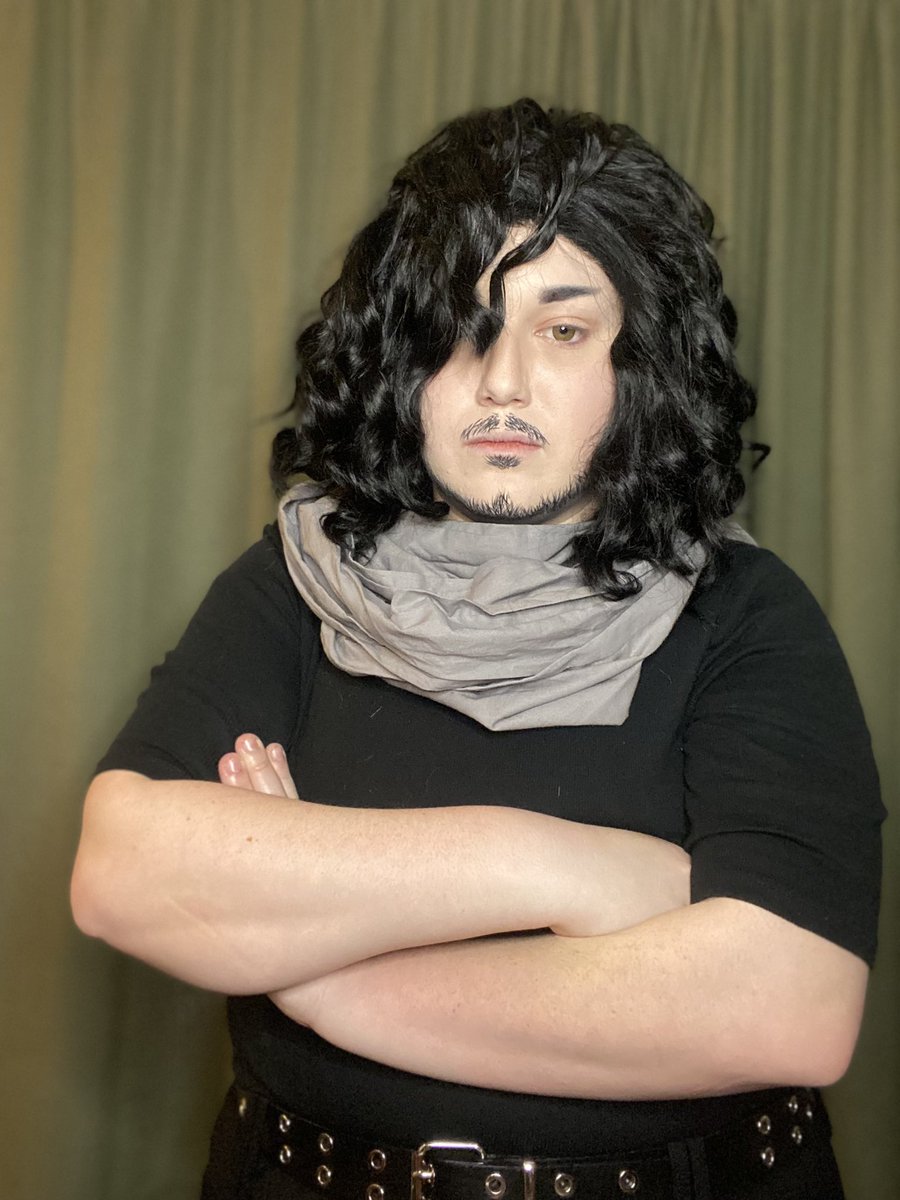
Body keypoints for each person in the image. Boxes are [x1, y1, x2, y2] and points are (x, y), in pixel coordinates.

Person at [71, 99, 884, 1200]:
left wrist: (319, 981)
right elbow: (123, 873)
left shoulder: (747, 612)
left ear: (641, 365)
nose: (503, 381)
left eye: (564, 330)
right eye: (461, 326)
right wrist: (554, 865)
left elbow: (786, 1006)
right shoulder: (298, 578)